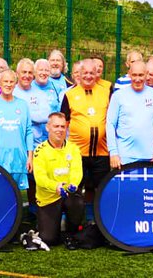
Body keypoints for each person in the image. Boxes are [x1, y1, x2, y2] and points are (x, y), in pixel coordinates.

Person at [59, 59, 113, 199]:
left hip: (102, 152)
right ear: (79, 74)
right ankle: (75, 220)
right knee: (75, 188)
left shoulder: (106, 91)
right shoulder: (69, 95)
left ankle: (97, 220)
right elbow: (63, 122)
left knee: (101, 190)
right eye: (85, 73)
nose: (88, 76)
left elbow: (113, 119)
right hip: (78, 152)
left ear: (97, 74)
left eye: (91, 73)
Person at [32, 112, 84, 247]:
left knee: (77, 201)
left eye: (62, 127)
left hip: (67, 193)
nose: (60, 130)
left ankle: (71, 229)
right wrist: (55, 186)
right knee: (49, 239)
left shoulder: (73, 148)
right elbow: (40, 178)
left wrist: (73, 184)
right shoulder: (40, 150)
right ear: (48, 127)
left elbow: (77, 171)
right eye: (56, 126)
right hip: (49, 197)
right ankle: (49, 225)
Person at [0, 70, 35, 189]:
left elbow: (29, 132)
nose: (8, 84)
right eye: (5, 81)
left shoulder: (23, 105)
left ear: (15, 84)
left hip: (18, 160)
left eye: (11, 82)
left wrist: (30, 156)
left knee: (16, 198)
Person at [106, 61, 153, 169]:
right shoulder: (118, 96)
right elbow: (110, 124)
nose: (137, 79)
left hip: (151, 157)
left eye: (141, 75)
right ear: (129, 74)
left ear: (146, 74)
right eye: (134, 75)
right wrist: (113, 152)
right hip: (124, 158)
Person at [13, 59, 58, 148]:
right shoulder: (12, 92)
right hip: (17, 143)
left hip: (36, 144)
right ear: (17, 74)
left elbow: (46, 116)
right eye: (24, 72)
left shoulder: (40, 93)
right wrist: (34, 113)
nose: (27, 75)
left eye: (30, 73)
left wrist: (24, 113)